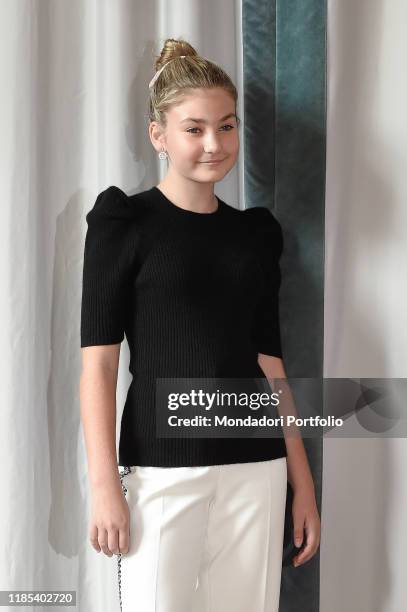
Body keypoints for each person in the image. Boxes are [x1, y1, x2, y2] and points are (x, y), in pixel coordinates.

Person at [79, 37, 320, 612]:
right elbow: (100, 364)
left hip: (256, 468)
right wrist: (105, 483)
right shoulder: (123, 223)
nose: (215, 143)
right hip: (160, 472)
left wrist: (301, 478)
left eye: (228, 126)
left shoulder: (257, 234)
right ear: (157, 134)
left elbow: (269, 361)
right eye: (195, 128)